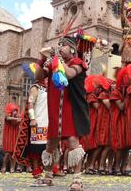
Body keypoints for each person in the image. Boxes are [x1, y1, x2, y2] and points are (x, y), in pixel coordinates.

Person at [37, 35, 90, 190]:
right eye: (59, 45)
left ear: (72, 49)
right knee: (50, 144)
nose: (60, 47)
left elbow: (68, 74)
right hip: (54, 110)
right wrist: (41, 59)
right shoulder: (53, 63)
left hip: (70, 109)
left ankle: (77, 179)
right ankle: (47, 177)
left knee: (73, 142)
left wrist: (55, 58)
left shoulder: (78, 63)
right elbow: (38, 76)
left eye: (64, 45)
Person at [14, 68, 50, 181]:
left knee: (47, 147)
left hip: (48, 121)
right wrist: (32, 118)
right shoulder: (35, 88)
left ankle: (46, 168)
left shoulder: (49, 89)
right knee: (36, 147)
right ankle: (35, 169)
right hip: (38, 121)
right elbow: (30, 103)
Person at [110, 68, 127, 175]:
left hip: (126, 119)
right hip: (118, 120)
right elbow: (120, 106)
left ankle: (124, 167)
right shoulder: (115, 92)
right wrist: (127, 96)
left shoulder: (124, 90)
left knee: (126, 146)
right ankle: (116, 167)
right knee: (120, 145)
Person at [2, 100, 21, 173]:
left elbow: (21, 120)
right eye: (14, 111)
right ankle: (3, 167)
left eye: (16, 111)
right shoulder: (8, 116)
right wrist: (16, 119)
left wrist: (18, 119)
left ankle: (12, 168)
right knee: (7, 153)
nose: (15, 112)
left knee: (14, 153)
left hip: (15, 135)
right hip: (8, 135)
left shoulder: (18, 117)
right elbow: (8, 118)